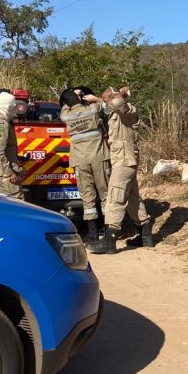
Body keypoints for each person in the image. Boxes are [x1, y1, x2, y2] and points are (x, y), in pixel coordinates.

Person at [83, 86, 153, 254]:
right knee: (133, 199)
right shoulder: (116, 111)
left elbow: (117, 102)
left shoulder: (127, 110)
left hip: (124, 161)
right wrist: (100, 99)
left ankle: (109, 241)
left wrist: (120, 93)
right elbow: (111, 105)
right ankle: (145, 236)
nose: (105, 102)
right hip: (123, 161)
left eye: (106, 99)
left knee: (115, 198)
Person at [60, 86, 110, 246]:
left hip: (80, 161)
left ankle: (92, 234)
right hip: (98, 157)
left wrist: (70, 101)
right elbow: (107, 104)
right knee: (106, 195)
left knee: (87, 198)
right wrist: (94, 98)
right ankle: (110, 232)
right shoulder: (93, 109)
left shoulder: (66, 116)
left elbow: (63, 110)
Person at [0, 91, 25, 199]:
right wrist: (9, 173)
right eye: (13, 106)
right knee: (18, 202)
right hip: (3, 173)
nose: (15, 110)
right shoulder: (0, 124)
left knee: (4, 204)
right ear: (7, 106)